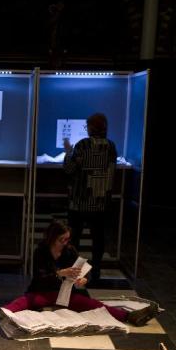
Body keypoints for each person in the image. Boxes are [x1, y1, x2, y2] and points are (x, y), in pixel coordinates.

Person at [0, 220, 158, 327]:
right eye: (62, 239)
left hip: (66, 294)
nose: (65, 242)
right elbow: (39, 276)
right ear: (53, 238)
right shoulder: (41, 251)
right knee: (23, 302)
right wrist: (60, 273)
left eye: (67, 239)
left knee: (93, 304)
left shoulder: (70, 251)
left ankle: (129, 317)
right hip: (43, 291)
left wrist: (83, 280)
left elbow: (84, 273)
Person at [62, 112, 117, 282]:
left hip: (80, 201)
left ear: (92, 127)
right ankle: (97, 269)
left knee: (74, 238)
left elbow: (69, 169)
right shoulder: (111, 146)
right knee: (98, 238)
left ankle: (74, 271)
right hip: (101, 202)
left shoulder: (83, 145)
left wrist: (68, 151)